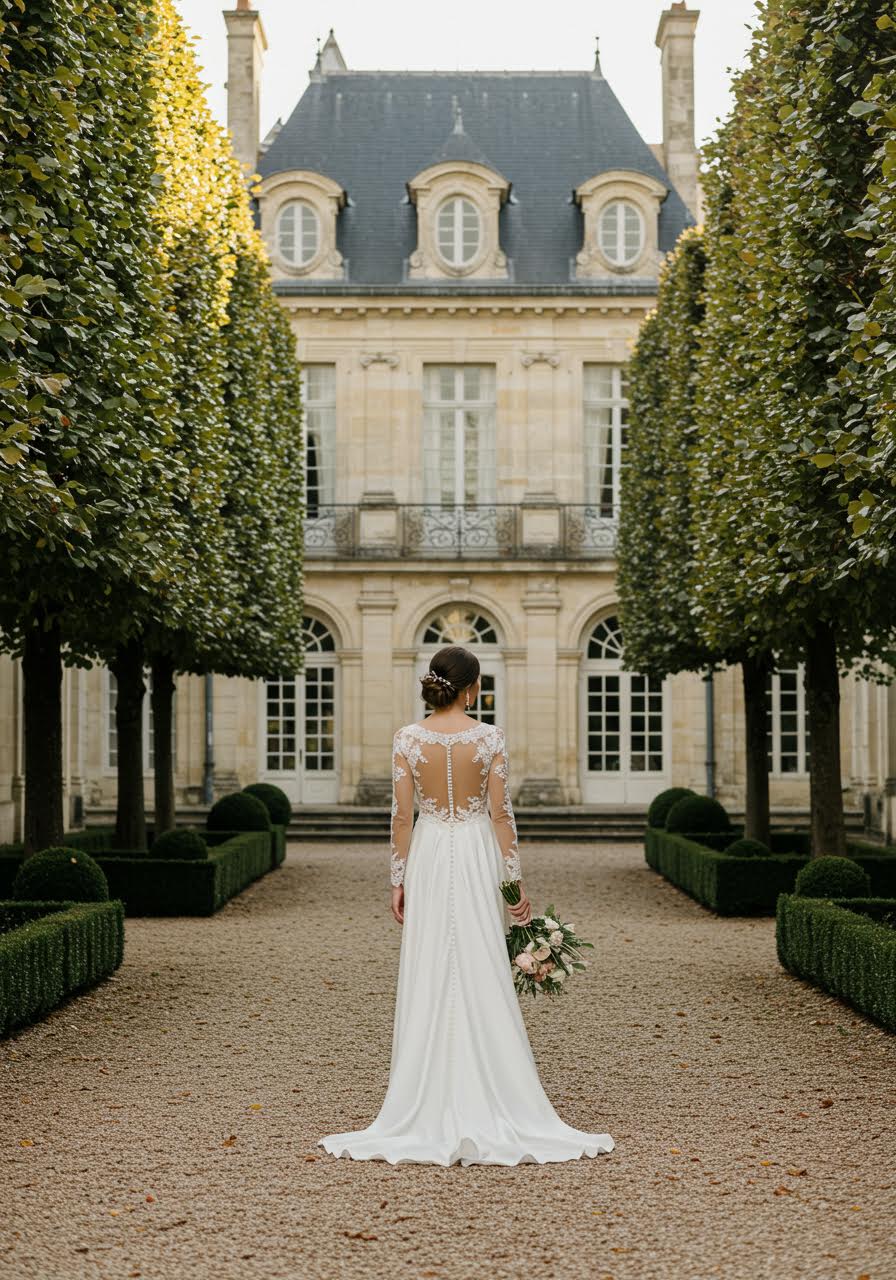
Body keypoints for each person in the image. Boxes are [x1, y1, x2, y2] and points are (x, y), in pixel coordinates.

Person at [318, 644, 615, 1166]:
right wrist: (513, 883)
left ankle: (424, 1092)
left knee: (432, 963)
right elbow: (502, 817)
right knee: (478, 960)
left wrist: (398, 877)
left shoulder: (407, 739)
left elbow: (401, 817)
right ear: (474, 688)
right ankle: (496, 1085)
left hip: (430, 854)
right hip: (476, 852)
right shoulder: (489, 737)